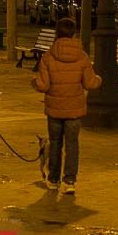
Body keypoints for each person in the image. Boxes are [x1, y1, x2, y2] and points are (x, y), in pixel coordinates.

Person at [32, 18, 101, 194]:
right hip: (75, 110)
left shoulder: (48, 57)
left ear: (56, 33)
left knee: (55, 143)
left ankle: (53, 179)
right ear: (74, 34)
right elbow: (90, 83)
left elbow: (43, 85)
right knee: (72, 145)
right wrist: (99, 79)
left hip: (54, 109)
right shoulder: (82, 57)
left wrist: (34, 82)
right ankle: (70, 181)